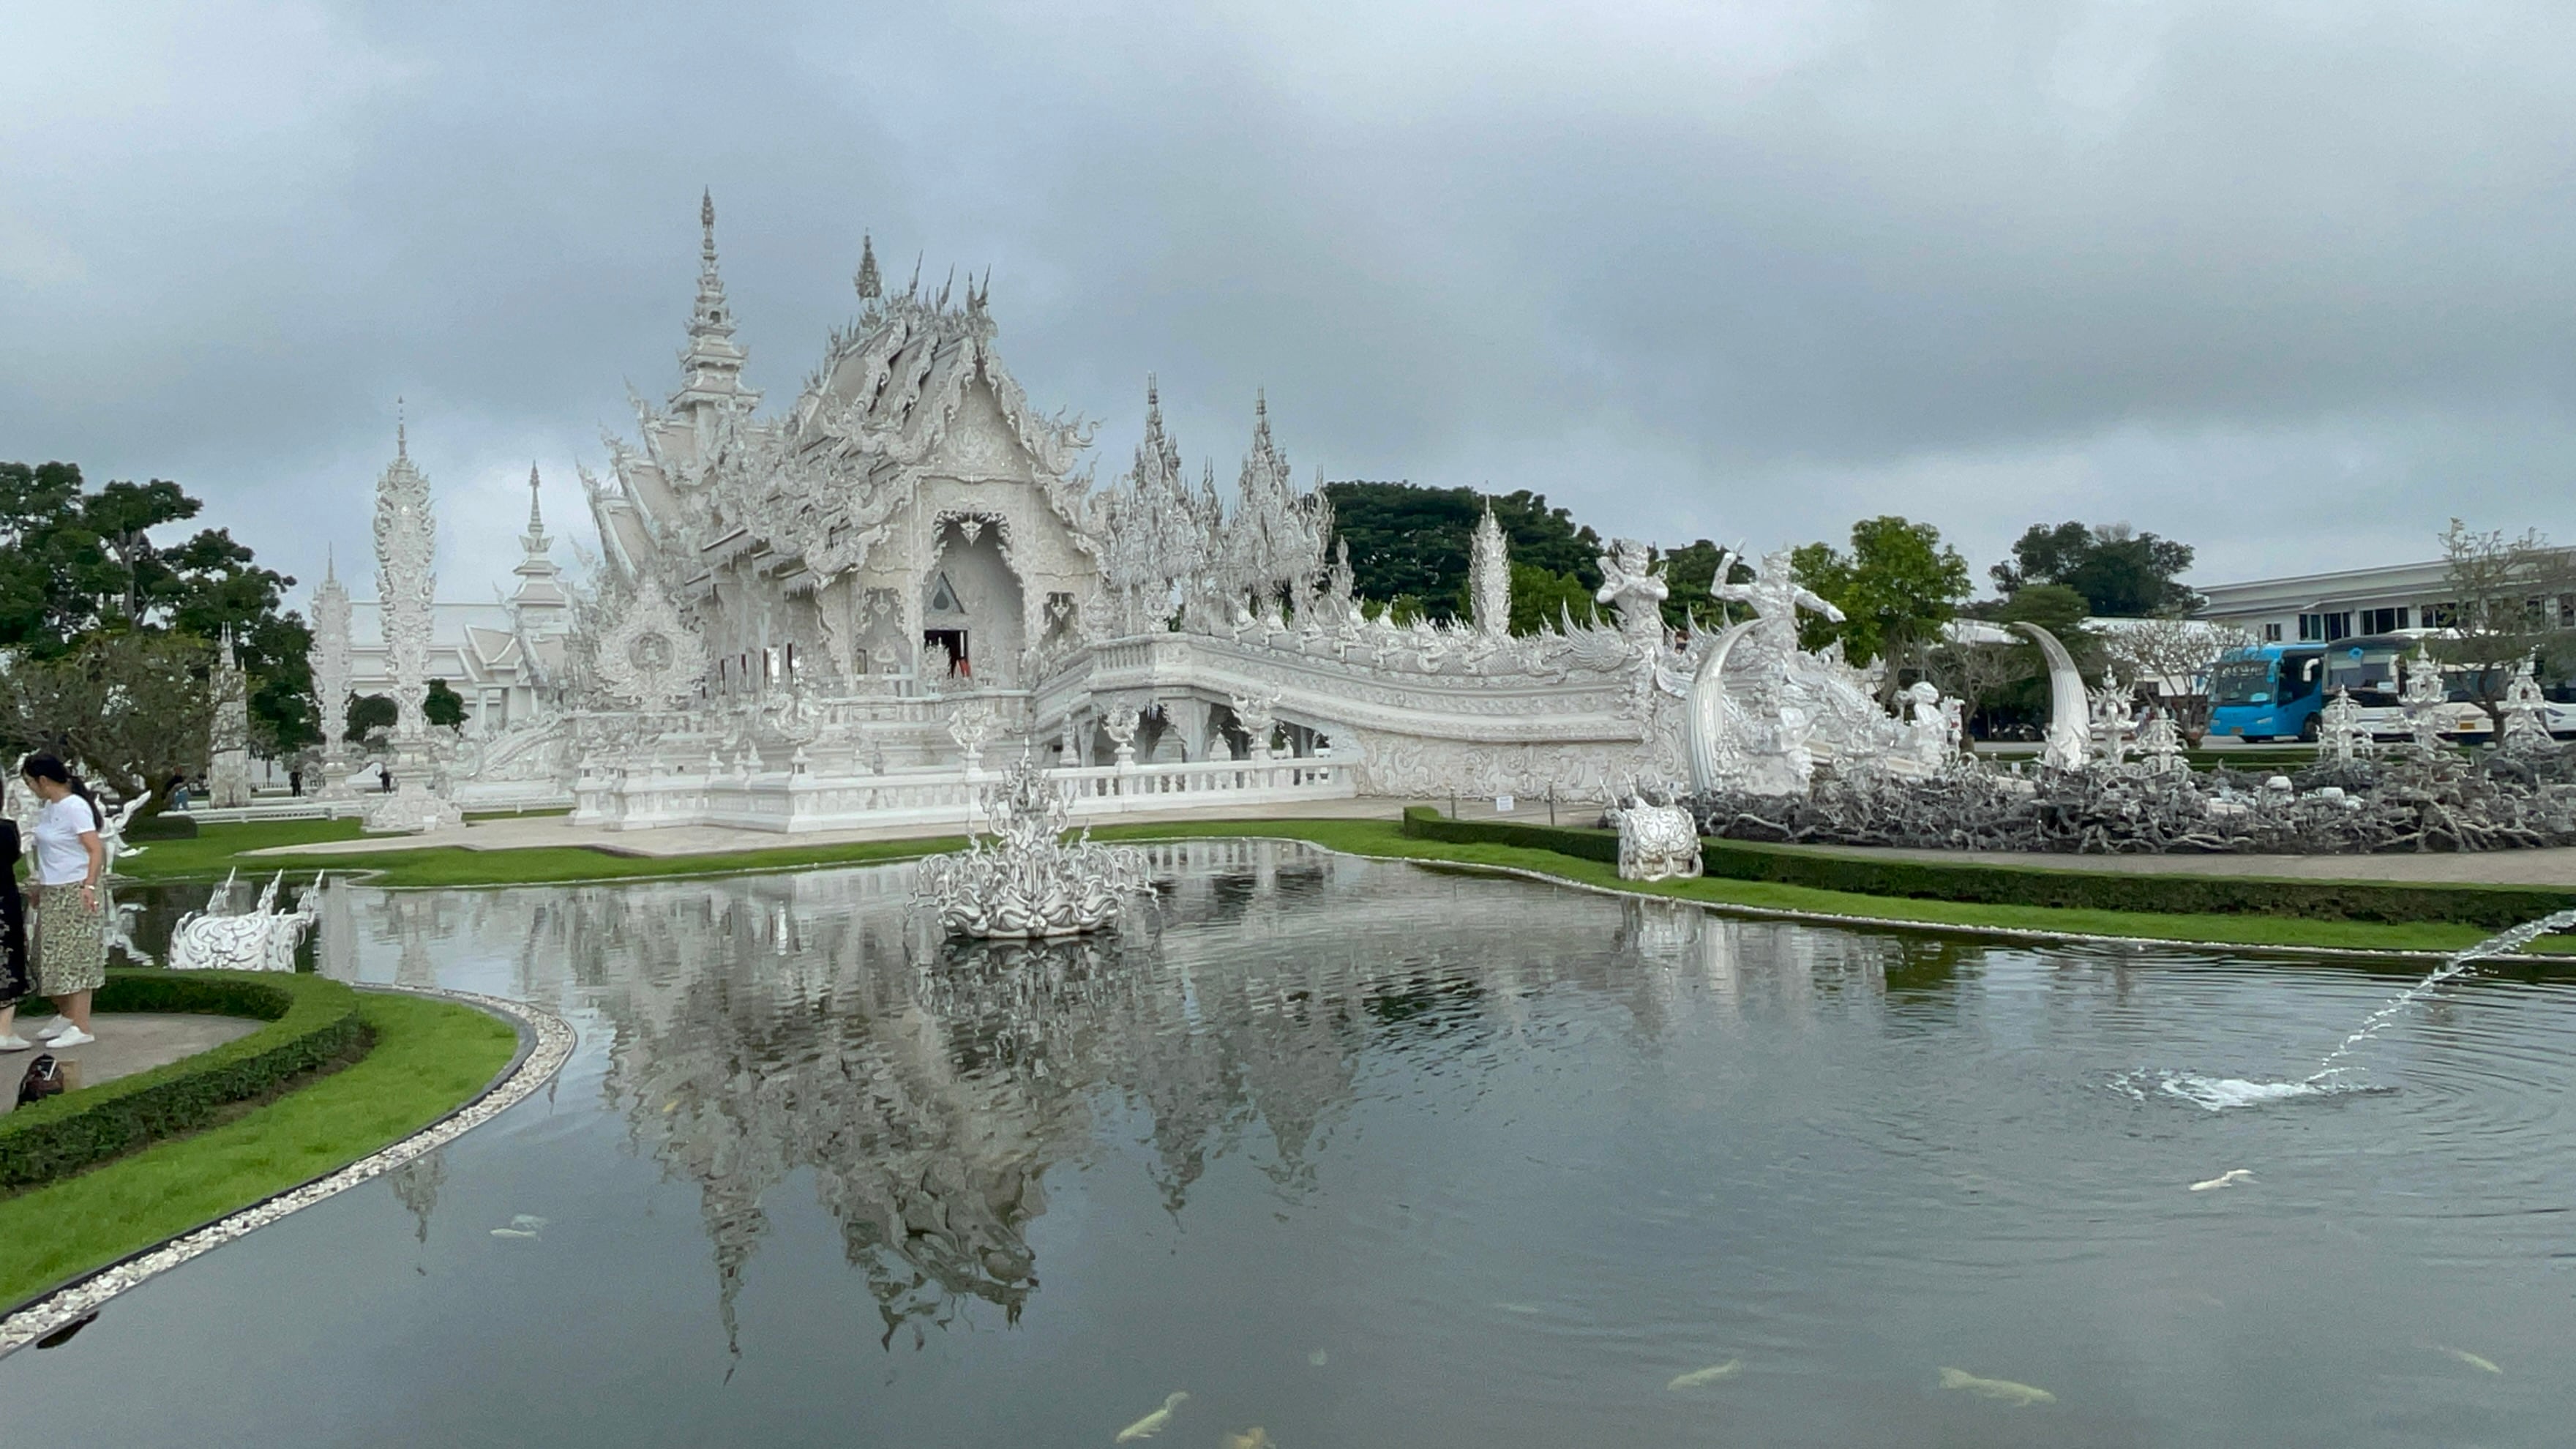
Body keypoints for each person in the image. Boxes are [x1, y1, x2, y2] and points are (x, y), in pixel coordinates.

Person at [21, 755, 107, 1048]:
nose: (30, 788)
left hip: (76, 889)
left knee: (76, 957)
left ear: (43, 781)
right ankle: (68, 1015)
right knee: (46, 958)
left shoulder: (75, 807)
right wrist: (39, 887)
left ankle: (82, 1026)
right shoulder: (49, 808)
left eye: (30, 782)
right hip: (53, 891)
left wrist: (90, 885)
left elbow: (95, 849)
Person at [0, 822, 29, 1052]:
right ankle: (4, 1031)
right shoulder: (6, 829)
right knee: (8, 961)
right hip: (3, 900)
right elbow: (13, 855)